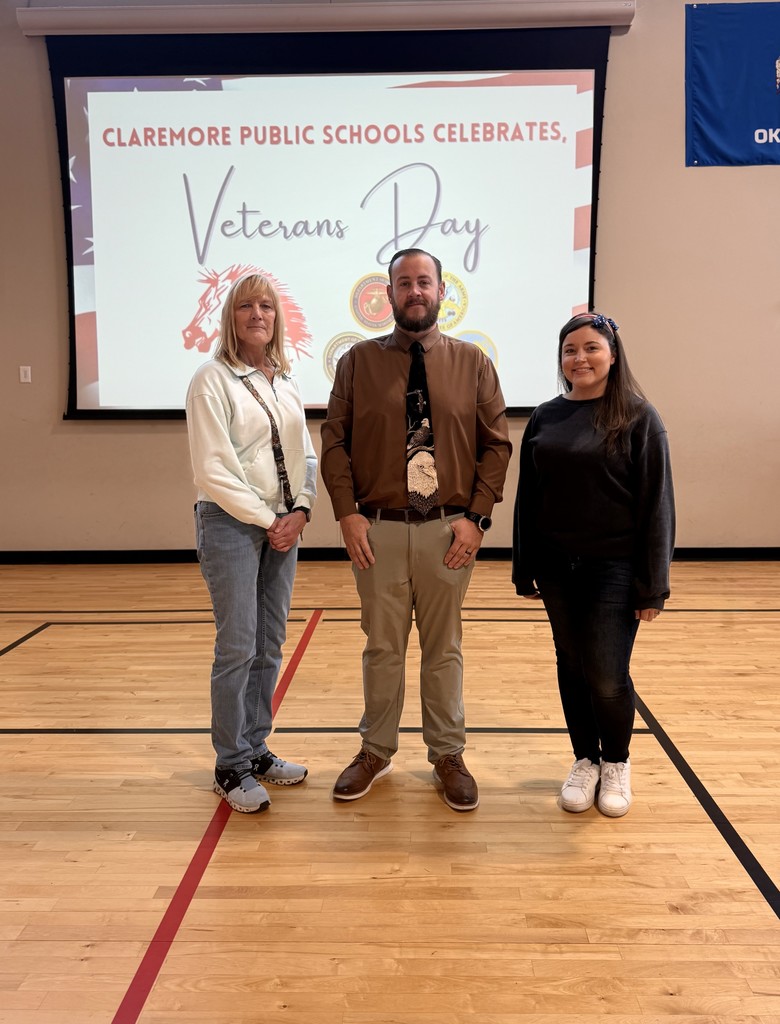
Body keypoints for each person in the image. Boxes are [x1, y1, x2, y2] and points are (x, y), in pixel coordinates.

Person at [320, 248, 512, 812]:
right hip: (377, 528)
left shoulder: (472, 362)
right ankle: (375, 749)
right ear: (388, 294)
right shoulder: (357, 362)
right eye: (404, 283)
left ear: (441, 291)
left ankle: (447, 753)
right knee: (382, 646)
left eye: (424, 282)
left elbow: (496, 445)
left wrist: (476, 520)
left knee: (443, 647)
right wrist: (347, 512)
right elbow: (334, 441)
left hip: (448, 531)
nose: (415, 291)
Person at [512, 311, 674, 817]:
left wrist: (652, 587)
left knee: (606, 673)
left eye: (590, 348)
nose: (579, 358)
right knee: (571, 665)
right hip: (558, 566)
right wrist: (524, 565)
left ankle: (616, 762)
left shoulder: (638, 416)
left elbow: (657, 505)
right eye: (570, 350)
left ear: (612, 354)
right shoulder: (546, 415)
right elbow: (528, 497)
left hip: (615, 569)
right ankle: (584, 759)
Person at [186, 273, 317, 814]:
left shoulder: (283, 381)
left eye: (266, 305)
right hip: (232, 525)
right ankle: (229, 763)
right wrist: (270, 519)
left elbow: (305, 455)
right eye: (246, 306)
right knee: (238, 644)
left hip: (282, 527)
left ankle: (257, 749)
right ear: (231, 316)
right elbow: (214, 469)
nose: (257, 314)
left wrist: (302, 510)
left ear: (276, 318)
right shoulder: (211, 379)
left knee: (269, 642)